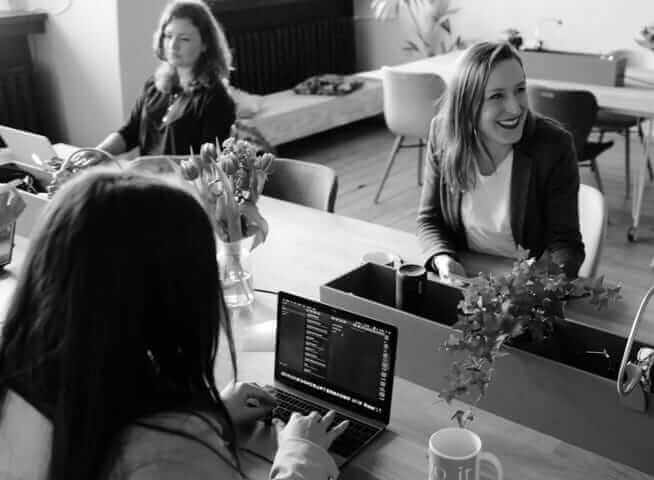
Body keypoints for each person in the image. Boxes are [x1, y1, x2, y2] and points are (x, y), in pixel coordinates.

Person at [0, 170, 347, 479]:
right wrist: (301, 456)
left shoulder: (17, 379)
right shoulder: (168, 450)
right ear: (174, 297)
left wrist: (213, 414)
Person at [417, 41, 585, 280]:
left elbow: (566, 246)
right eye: (496, 96)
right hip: (465, 277)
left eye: (520, 89)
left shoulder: (554, 145)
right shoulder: (442, 134)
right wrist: (443, 260)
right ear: (467, 106)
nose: (515, 108)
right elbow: (429, 219)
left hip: (524, 287)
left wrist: (538, 280)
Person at [97, 0, 236, 157]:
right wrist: (99, 152)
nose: (173, 45)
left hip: (181, 181)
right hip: (146, 178)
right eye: (168, 36)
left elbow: (209, 162)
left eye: (184, 39)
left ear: (205, 44)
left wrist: (145, 165)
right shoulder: (154, 85)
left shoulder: (216, 98)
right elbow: (129, 133)